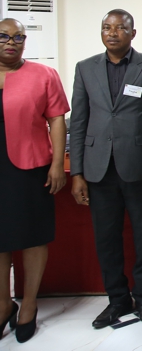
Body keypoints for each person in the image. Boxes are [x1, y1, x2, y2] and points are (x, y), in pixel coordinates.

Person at [69, 10, 142, 328]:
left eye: (120, 28)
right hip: (98, 169)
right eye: (106, 28)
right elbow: (78, 122)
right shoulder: (85, 68)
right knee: (106, 238)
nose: (112, 33)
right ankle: (117, 300)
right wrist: (77, 172)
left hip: (138, 168)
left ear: (132, 33)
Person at [0, 18, 69, 344]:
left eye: (18, 37)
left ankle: (28, 303)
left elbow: (57, 120)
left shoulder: (43, 75)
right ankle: (3, 304)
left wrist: (57, 164)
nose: (11, 42)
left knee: (32, 235)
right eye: (3, 36)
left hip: (29, 167)